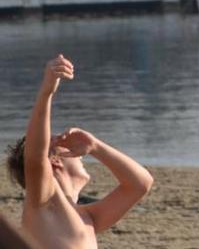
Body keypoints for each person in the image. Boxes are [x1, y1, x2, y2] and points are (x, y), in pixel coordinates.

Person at [5, 55, 154, 249]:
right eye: (62, 144)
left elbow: (140, 184)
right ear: (54, 161)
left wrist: (95, 146)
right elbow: (35, 158)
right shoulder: (43, 205)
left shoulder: (87, 218)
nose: (80, 154)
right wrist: (47, 92)